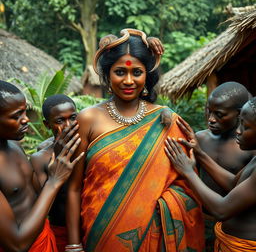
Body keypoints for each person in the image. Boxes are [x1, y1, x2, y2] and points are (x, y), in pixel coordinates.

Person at [66, 28, 205, 252]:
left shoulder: (165, 120)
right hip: (100, 235)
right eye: (120, 72)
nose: (128, 80)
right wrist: (73, 245)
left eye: (137, 73)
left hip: (155, 240)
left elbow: (186, 184)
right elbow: (73, 188)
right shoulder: (88, 119)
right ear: (107, 75)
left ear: (147, 75)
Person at [0, 80, 84, 251]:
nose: (26, 120)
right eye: (16, 116)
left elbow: (36, 198)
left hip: (45, 237)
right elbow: (17, 244)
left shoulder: (15, 146)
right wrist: (54, 181)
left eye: (24, 112)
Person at [165, 96, 256, 251]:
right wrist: (199, 153)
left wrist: (188, 172)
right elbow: (233, 184)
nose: (238, 131)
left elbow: (221, 210)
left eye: (245, 127)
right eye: (239, 122)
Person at [193, 82, 254, 251]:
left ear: (239, 114)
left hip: (233, 225)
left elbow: (225, 203)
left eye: (219, 114)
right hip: (203, 220)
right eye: (209, 111)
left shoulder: (250, 150)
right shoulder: (201, 139)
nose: (211, 119)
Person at [30, 94, 78, 252]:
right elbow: (43, 205)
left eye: (72, 118)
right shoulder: (41, 157)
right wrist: (58, 156)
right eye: (60, 121)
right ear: (47, 124)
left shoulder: (89, 147)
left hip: (92, 226)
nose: (68, 125)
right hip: (59, 231)